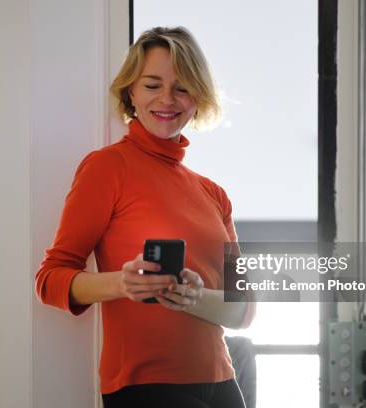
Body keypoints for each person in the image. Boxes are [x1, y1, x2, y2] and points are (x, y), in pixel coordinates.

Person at [35, 26, 255, 408]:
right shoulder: (107, 168)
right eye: (153, 85)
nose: (167, 99)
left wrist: (192, 297)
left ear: (197, 98)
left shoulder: (213, 193)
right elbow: (50, 279)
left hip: (222, 381)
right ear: (131, 92)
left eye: (182, 87)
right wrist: (123, 284)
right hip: (144, 386)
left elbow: (244, 310)